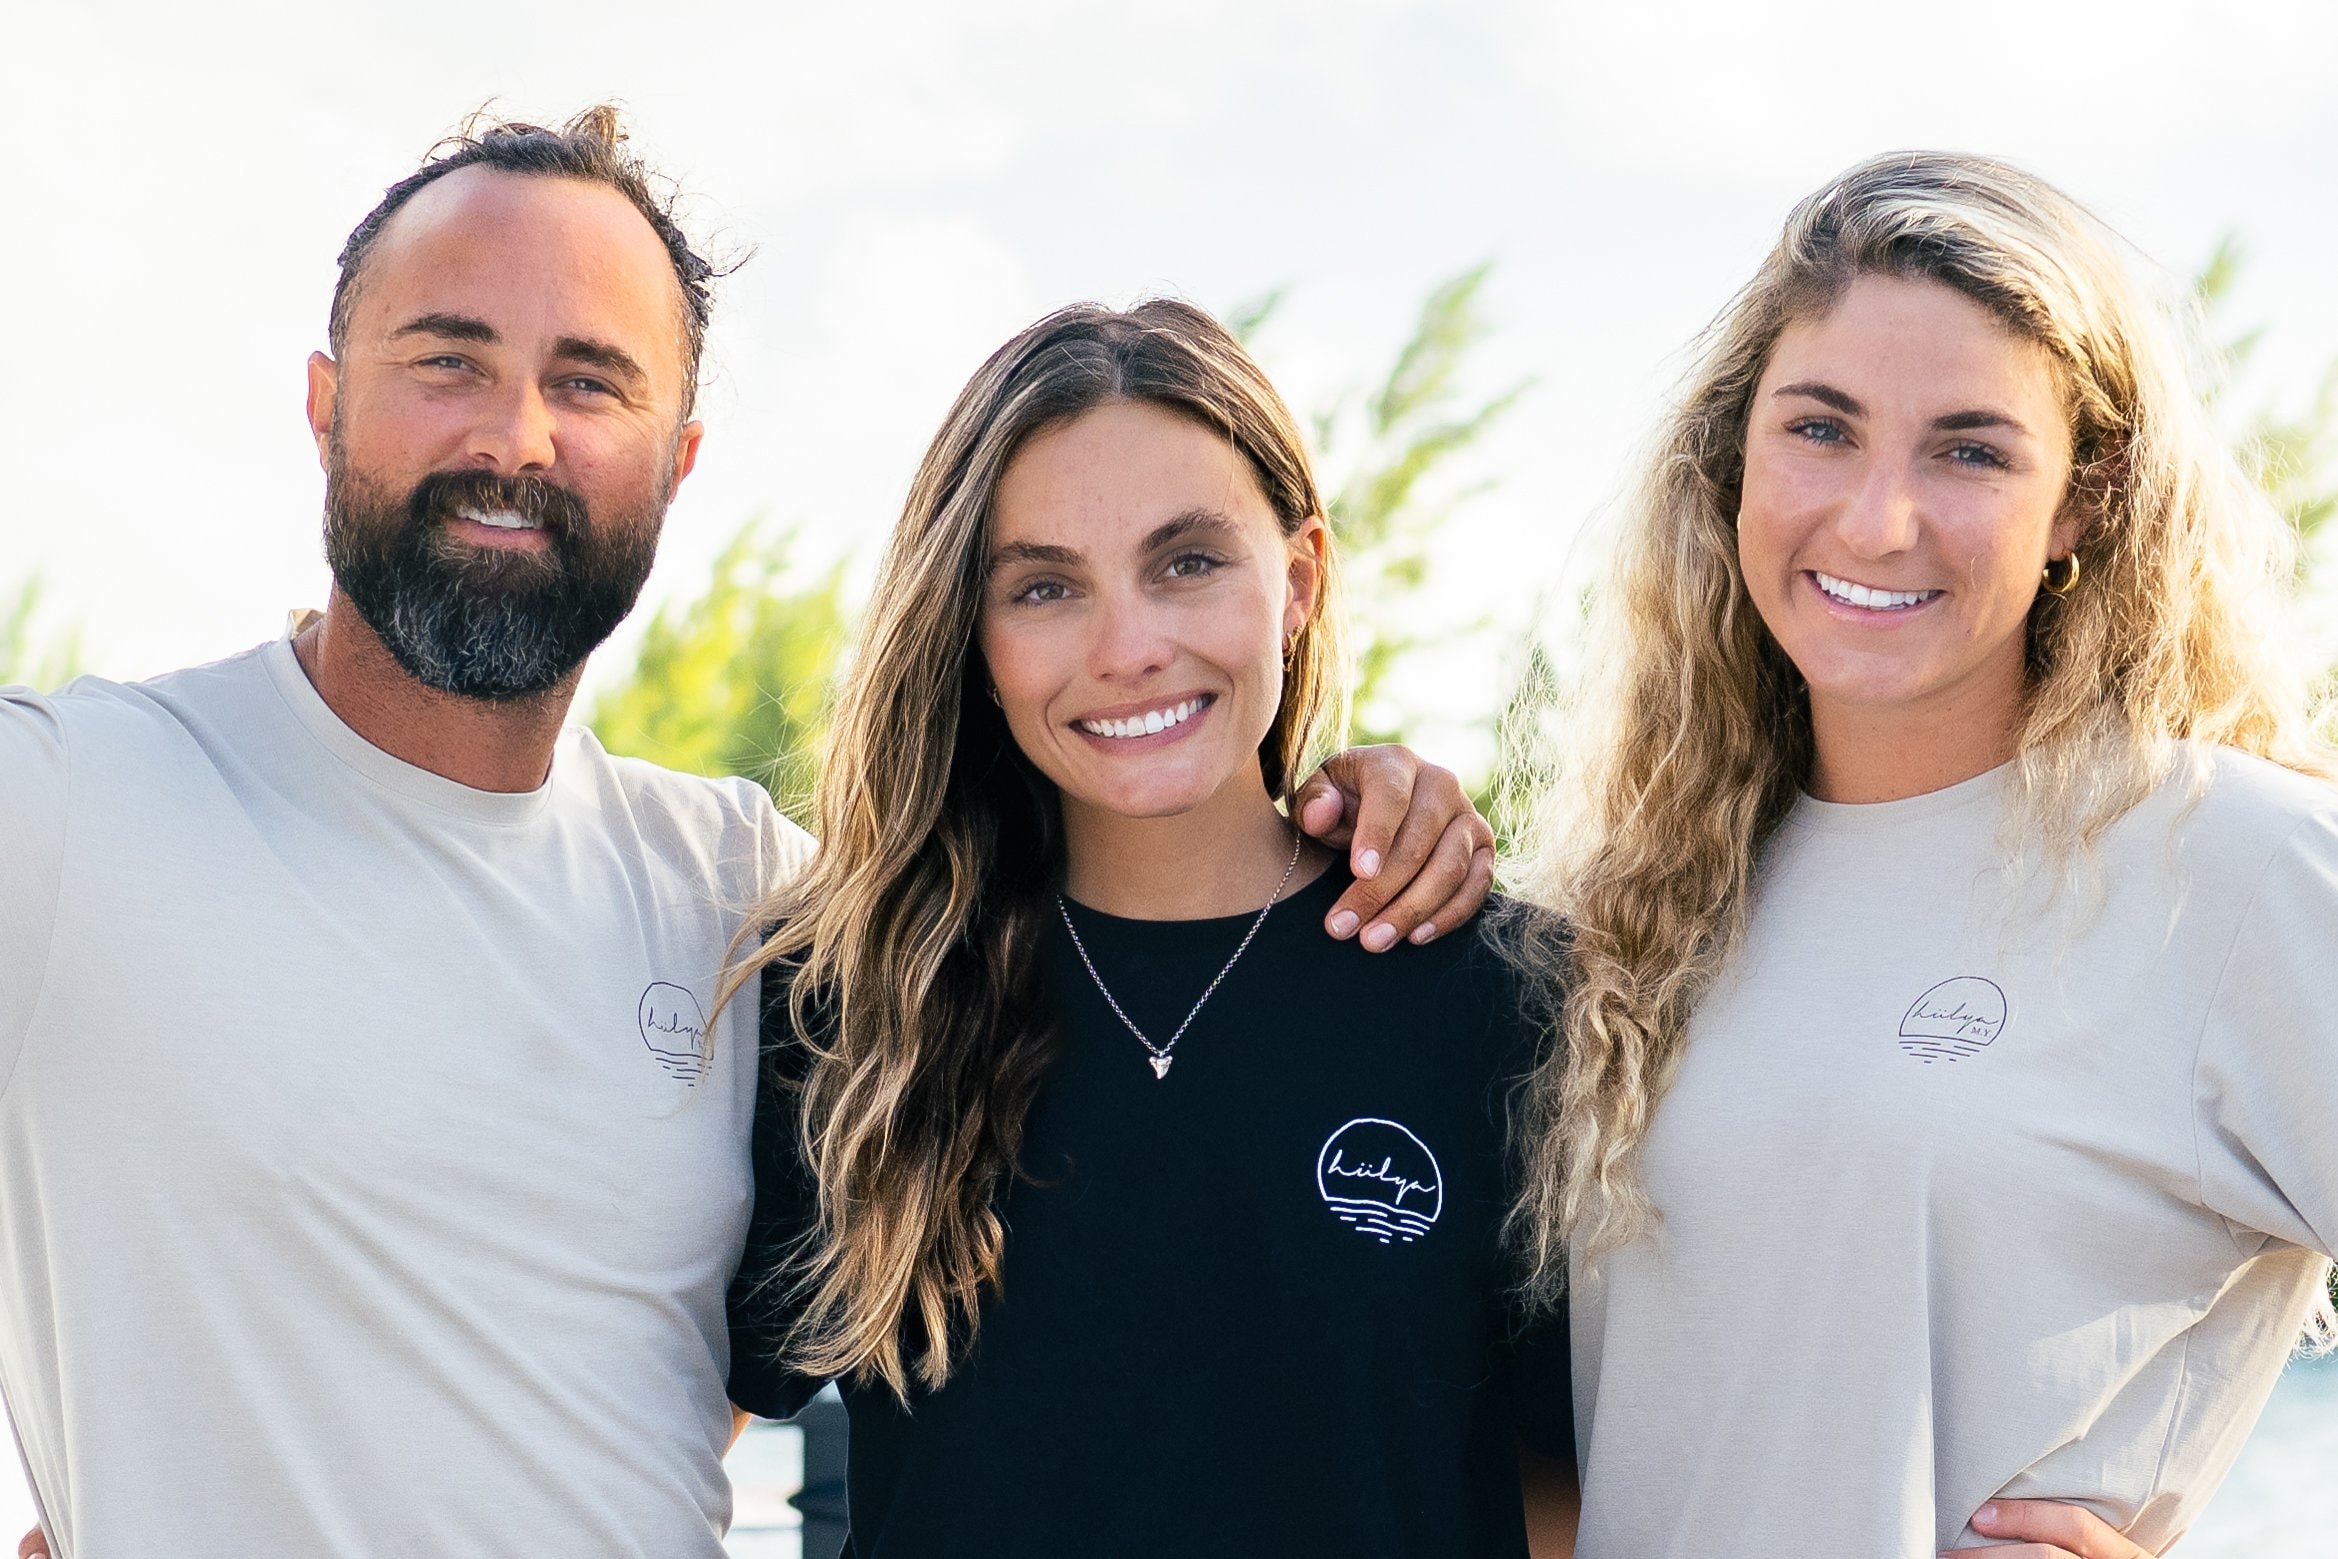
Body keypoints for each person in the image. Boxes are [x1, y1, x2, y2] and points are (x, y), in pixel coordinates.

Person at [0, 110, 1493, 1559]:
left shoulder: (749, 901)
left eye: (590, 381)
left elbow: (651, 1384)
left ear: (678, 458)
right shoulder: (77, 806)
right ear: (325, 401)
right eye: (449, 358)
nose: (517, 435)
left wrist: (1375, 796)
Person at [1507, 150, 2338, 1556]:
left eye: (1969, 450)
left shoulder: (2234, 866)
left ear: (2083, 499)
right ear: (1732, 456)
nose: (1875, 518)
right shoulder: (1650, 899)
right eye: (1819, 428)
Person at [722, 299, 1580, 1557]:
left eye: (1187, 562)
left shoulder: (1510, 996)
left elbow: (1569, 1488)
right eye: (1044, 586)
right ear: (973, 634)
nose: (1127, 647)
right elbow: (666, 1433)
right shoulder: (848, 998)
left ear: (1297, 581)